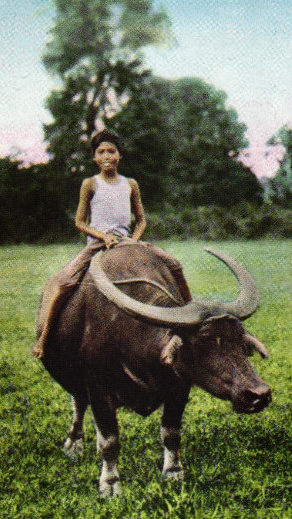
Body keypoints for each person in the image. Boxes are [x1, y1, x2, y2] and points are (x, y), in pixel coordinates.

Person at [32, 129, 191, 359]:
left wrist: (133, 242)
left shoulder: (130, 184)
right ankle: (45, 337)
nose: (107, 156)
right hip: (98, 244)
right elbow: (79, 222)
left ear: (119, 156)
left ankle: (191, 319)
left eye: (111, 151)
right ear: (95, 158)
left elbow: (141, 220)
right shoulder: (90, 184)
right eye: (101, 152)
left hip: (127, 241)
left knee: (173, 265)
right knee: (65, 283)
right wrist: (103, 237)